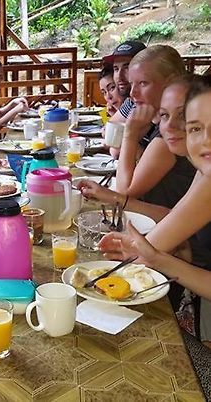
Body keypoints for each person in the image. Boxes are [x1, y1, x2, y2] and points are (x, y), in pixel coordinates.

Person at [99, 75, 211, 346]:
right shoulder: (205, 171)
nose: (205, 140)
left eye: (182, 118)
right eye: (195, 128)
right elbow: (163, 235)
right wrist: (158, 257)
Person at [115, 46, 188, 206]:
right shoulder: (155, 121)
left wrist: (130, 134)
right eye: (132, 84)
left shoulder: (174, 131)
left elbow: (125, 193)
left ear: (171, 81)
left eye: (143, 83)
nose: (133, 93)